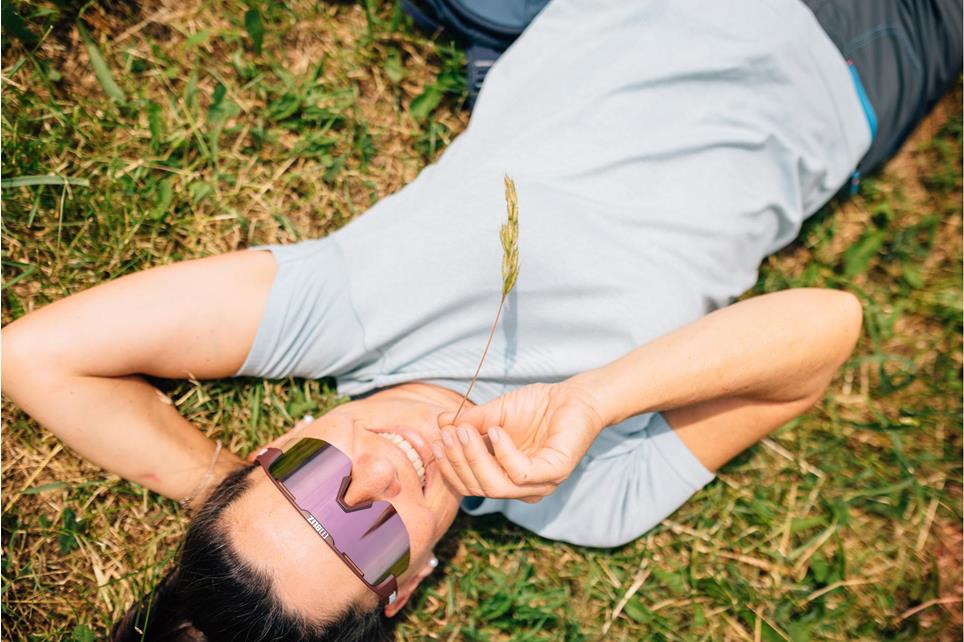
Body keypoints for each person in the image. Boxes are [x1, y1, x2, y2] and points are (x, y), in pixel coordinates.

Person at [2, 0, 960, 640]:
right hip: (859, 62)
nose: (380, 473)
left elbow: (33, 356)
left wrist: (212, 492)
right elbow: (828, 327)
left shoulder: (342, 309)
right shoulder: (590, 499)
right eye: (368, 539)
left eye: (315, 476)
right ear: (407, 586)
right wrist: (592, 402)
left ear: (278, 443)